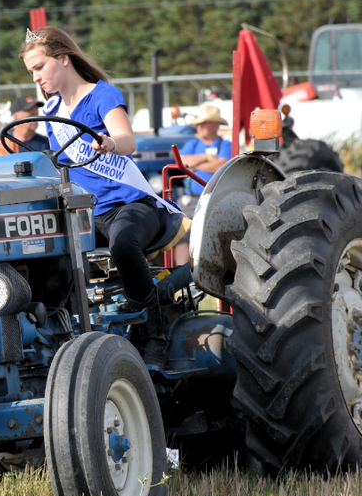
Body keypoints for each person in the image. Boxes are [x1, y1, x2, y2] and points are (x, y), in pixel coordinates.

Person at [19, 26, 185, 366]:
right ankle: (54, 334)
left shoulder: (101, 95)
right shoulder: (51, 113)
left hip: (131, 205)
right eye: (30, 72)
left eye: (39, 67)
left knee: (123, 244)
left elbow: (127, 140)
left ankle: (154, 335)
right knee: (39, 248)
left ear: (63, 59)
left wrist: (110, 142)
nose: (35, 77)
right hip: (86, 214)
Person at [173, 105, 232, 266]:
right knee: (182, 235)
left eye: (204, 123)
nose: (199, 127)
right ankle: (182, 272)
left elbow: (221, 165)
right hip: (189, 200)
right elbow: (182, 163)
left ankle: (210, 272)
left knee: (211, 235)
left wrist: (194, 164)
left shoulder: (225, 145)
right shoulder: (192, 143)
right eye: (198, 124)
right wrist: (207, 157)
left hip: (213, 199)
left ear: (215, 125)